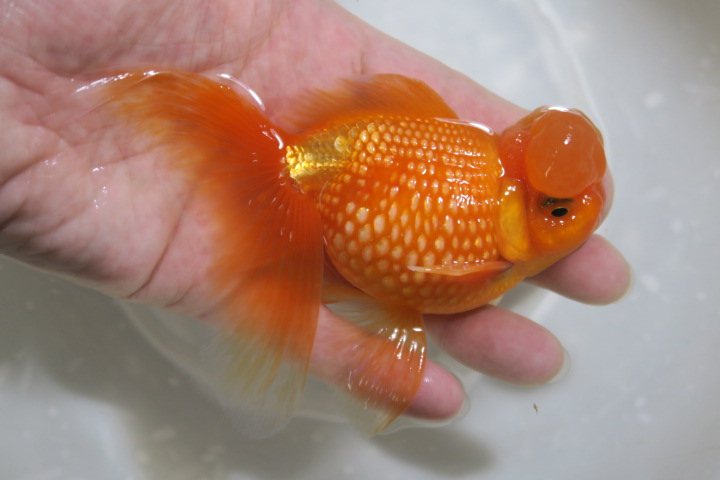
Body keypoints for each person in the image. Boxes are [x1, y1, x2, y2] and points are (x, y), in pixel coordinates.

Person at [0, 0, 631, 421]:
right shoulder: (485, 260)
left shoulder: (496, 224)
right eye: (556, 212)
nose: (573, 216)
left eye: (555, 210)